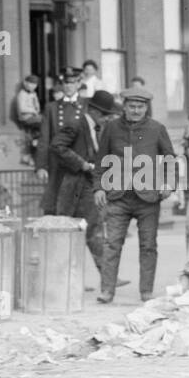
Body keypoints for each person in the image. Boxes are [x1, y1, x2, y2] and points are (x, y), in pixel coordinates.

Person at [92, 86, 175, 304]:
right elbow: (101, 161)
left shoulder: (157, 129)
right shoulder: (111, 128)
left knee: (148, 246)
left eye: (140, 107)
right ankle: (107, 290)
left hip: (148, 198)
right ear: (124, 107)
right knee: (112, 244)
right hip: (118, 196)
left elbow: (169, 159)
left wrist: (168, 183)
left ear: (146, 107)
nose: (136, 110)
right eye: (132, 106)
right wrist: (99, 187)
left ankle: (146, 291)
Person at [51, 89, 123, 280]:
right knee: (73, 231)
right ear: (96, 112)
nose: (108, 120)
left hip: (89, 186)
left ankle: (103, 276)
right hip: (74, 186)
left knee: (93, 229)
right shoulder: (75, 124)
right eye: (106, 116)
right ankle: (65, 278)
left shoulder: (97, 129)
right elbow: (57, 146)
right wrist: (81, 163)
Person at [35, 67, 86, 214]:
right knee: (55, 206)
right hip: (57, 164)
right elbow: (44, 138)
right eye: (66, 83)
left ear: (78, 84)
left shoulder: (86, 105)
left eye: (72, 83)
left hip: (80, 162)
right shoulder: (52, 108)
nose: (68, 86)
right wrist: (41, 166)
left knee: (81, 207)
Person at [11, 74, 42, 167]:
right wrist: (33, 111)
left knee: (45, 124)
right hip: (26, 118)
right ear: (25, 83)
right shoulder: (22, 94)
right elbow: (22, 109)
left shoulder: (33, 94)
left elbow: (38, 108)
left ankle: (36, 142)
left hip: (33, 118)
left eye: (35, 84)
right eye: (31, 83)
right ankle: (35, 145)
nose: (33, 86)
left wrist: (35, 101)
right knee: (45, 124)